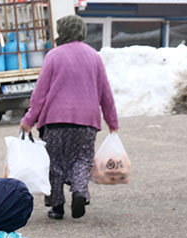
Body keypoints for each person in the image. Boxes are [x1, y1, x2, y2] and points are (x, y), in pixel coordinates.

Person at [20, 14, 119, 220]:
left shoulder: (54, 56)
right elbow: (105, 93)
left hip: (55, 122)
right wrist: (112, 121)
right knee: (82, 160)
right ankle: (80, 192)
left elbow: (40, 93)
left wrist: (29, 119)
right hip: (86, 122)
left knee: (54, 162)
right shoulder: (94, 56)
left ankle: (57, 207)